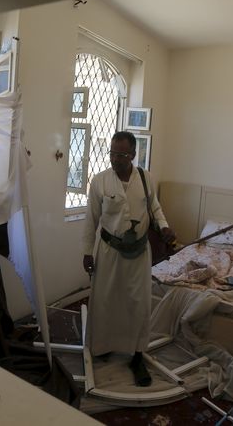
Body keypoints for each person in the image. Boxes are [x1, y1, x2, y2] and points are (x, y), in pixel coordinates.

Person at [81, 131, 176, 386]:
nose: (115, 159)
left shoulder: (146, 179)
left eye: (121, 154)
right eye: (112, 153)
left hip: (138, 253)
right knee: (105, 299)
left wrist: (164, 226)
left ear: (133, 154)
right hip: (109, 251)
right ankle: (103, 345)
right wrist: (87, 251)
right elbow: (91, 220)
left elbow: (154, 208)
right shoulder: (100, 182)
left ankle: (136, 355)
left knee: (137, 302)